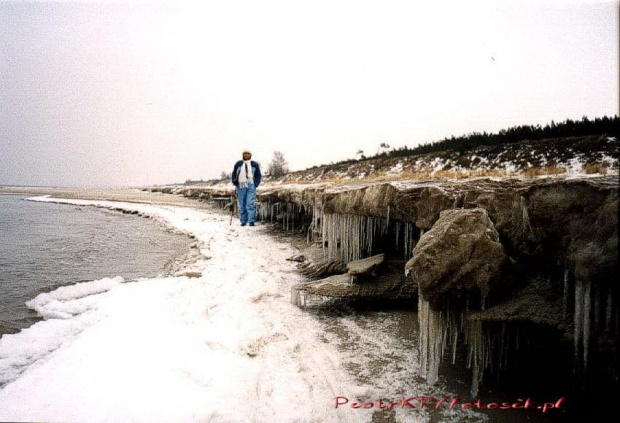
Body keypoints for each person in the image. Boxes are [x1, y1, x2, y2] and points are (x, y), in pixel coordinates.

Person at [231, 150, 262, 226]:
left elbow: (258, 175)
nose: (246, 155)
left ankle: (251, 221)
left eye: (248, 154)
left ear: (250, 155)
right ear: (243, 154)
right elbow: (234, 174)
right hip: (240, 185)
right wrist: (235, 181)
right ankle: (243, 221)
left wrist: (256, 184)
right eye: (245, 154)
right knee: (242, 203)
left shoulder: (254, 164)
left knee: (250, 203)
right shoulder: (238, 164)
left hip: (251, 184)